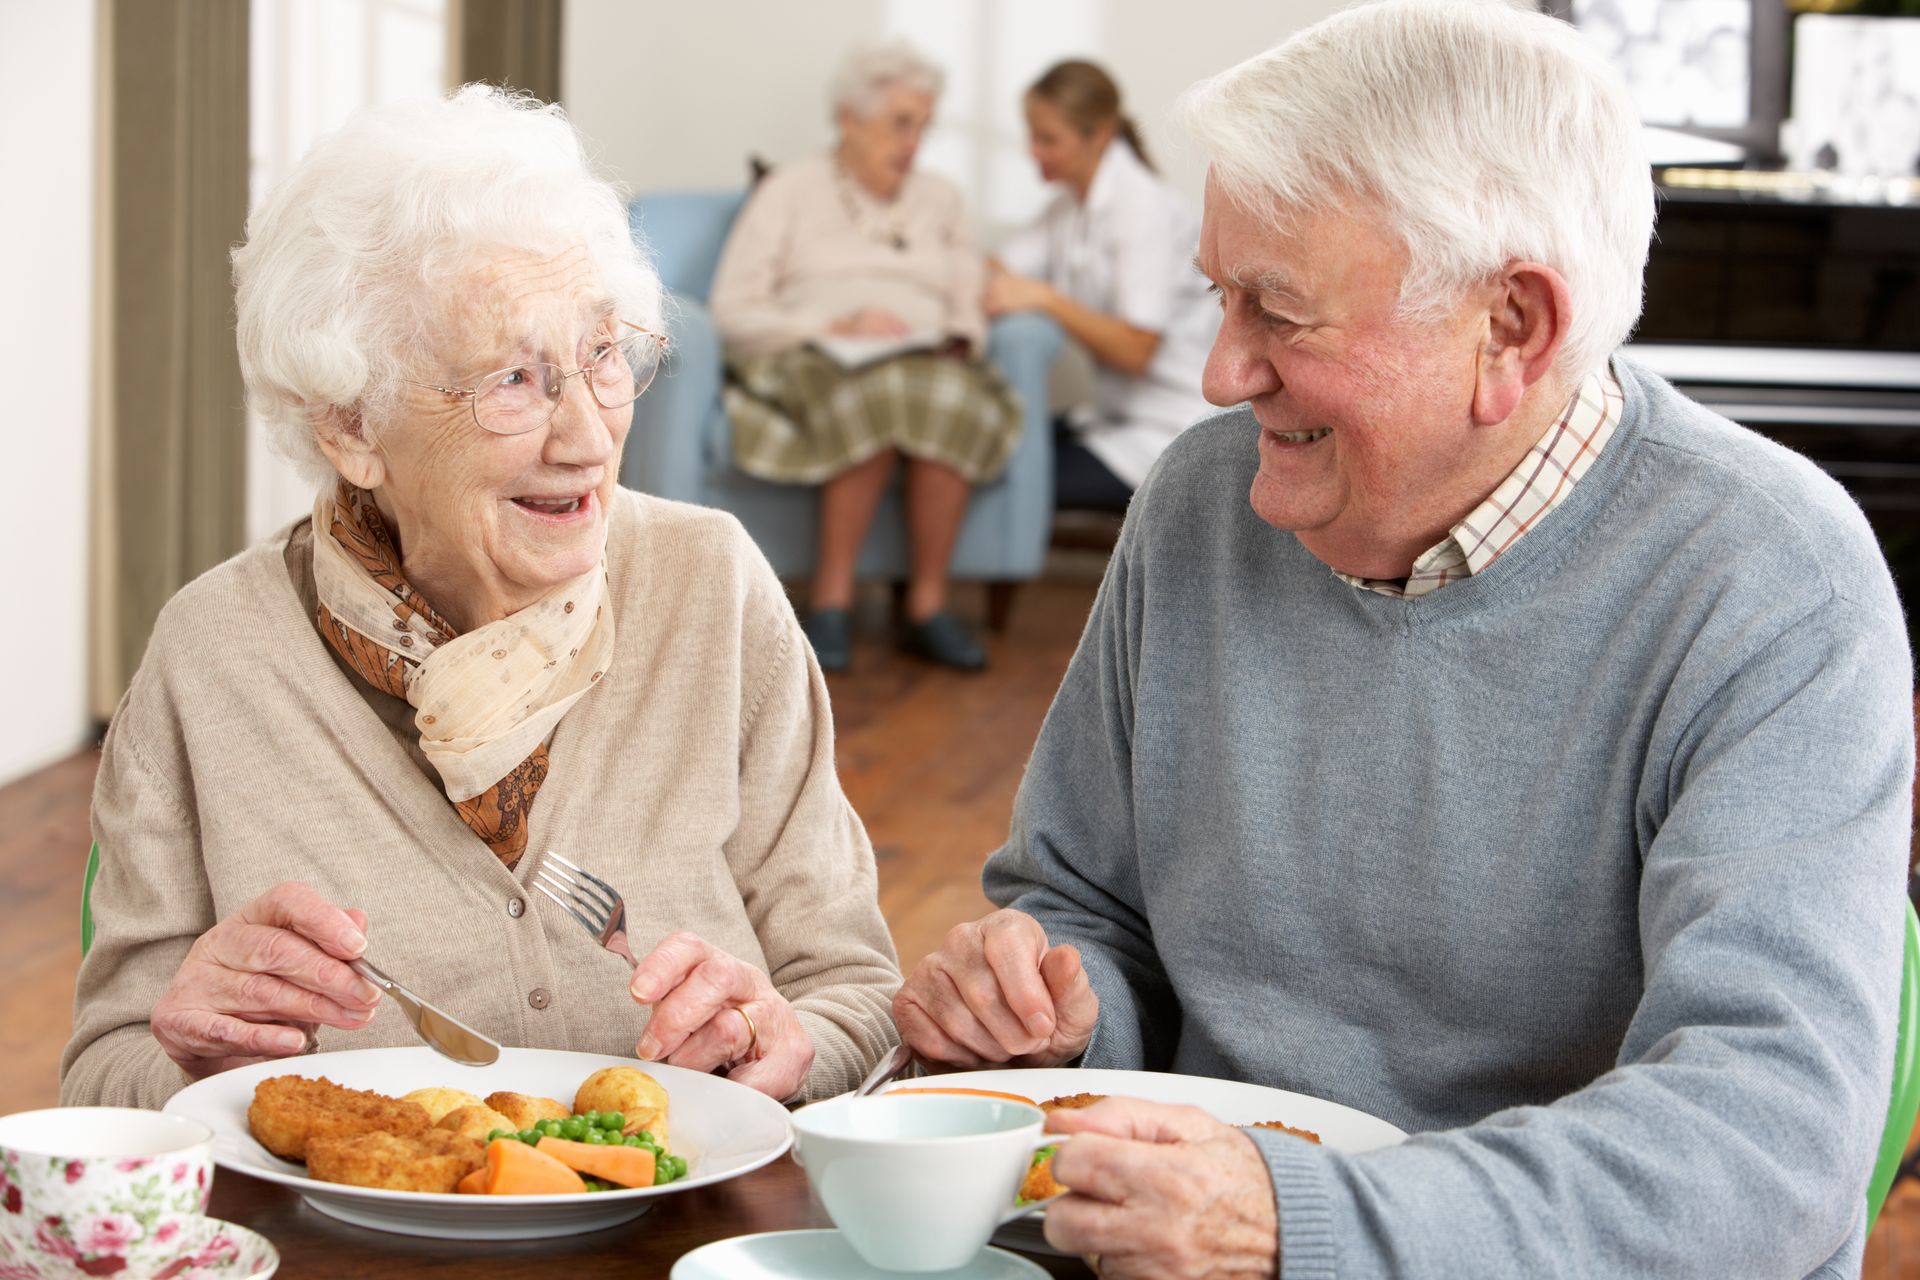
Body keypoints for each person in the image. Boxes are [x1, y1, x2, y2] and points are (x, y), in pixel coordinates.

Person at [892, 2, 1915, 1276]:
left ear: (1511, 329)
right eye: (1221, 295)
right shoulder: (1202, 501)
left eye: (1278, 310)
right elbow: (1081, 899)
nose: (1220, 371)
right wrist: (1051, 1013)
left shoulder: (1775, 581)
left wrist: (1304, 1227)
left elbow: (1769, 1146)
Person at [61, 86, 902, 1111]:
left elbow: (856, 993)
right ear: (350, 428)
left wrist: (792, 1042)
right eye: (513, 377)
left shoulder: (710, 586)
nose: (587, 435)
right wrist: (202, 1067)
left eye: (602, 355)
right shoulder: (214, 655)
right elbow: (103, 1077)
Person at [709, 42, 1019, 675]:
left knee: (944, 395)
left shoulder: (942, 200)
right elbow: (732, 310)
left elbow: (967, 300)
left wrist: (954, 338)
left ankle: (927, 608)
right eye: (901, 123)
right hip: (818, 356)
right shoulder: (790, 191)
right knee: (876, 391)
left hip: (925, 360)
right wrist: (831, 324)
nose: (915, 142)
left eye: (924, 126)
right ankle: (831, 602)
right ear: (850, 120)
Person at [987, 60, 1219, 513]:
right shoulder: (1069, 207)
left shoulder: (1140, 207)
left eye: (1048, 139)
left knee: (1009, 474)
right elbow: (997, 269)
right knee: (990, 441)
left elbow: (1136, 348)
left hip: (1171, 426)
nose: (1033, 151)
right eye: (1032, 136)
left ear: (1099, 134)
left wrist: (1045, 298)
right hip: (1117, 418)